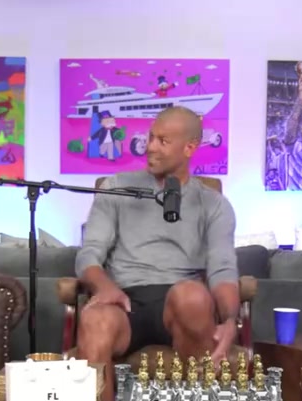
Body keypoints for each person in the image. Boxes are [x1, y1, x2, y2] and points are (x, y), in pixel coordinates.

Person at [75, 106, 240, 366]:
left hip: (181, 307)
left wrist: (230, 320)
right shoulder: (116, 188)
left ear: (189, 148)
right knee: (94, 319)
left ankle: (198, 391)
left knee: (191, 296)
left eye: (163, 141)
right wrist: (105, 287)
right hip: (125, 301)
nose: (150, 147)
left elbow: (223, 269)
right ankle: (99, 396)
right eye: (150, 137)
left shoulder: (213, 204)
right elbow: (89, 254)